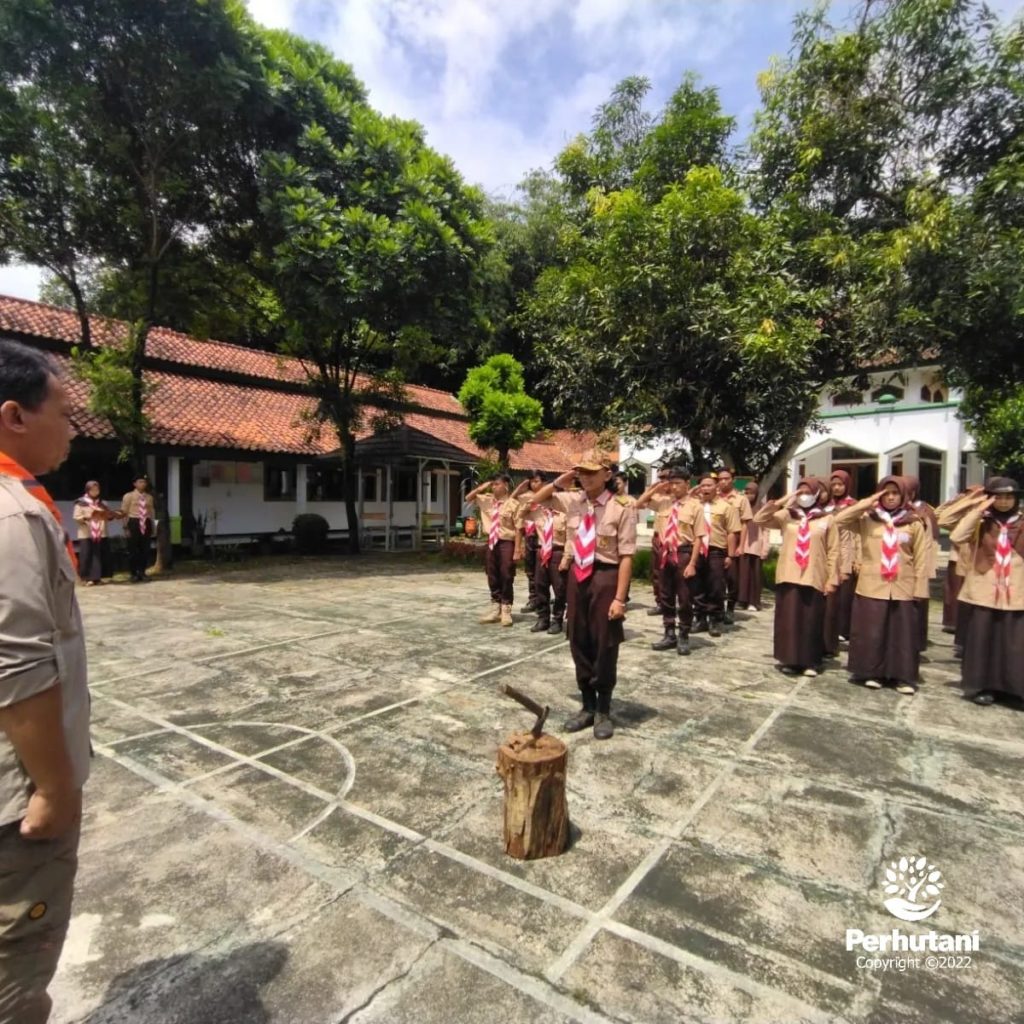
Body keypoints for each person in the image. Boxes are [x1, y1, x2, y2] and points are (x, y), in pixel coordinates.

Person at [0, 340, 91, 1024]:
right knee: (16, 981)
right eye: (64, 411)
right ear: (15, 416)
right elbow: (20, 666)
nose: (74, 427)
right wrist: (56, 787)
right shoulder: (14, 516)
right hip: (16, 797)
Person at [532, 452, 636, 739]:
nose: (585, 476)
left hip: (606, 576)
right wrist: (560, 481)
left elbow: (626, 556)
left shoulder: (622, 507)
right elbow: (536, 500)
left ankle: (603, 709)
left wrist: (620, 598)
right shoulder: (573, 500)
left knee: (605, 642)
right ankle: (587, 705)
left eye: (592, 471)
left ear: (607, 474)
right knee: (578, 638)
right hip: (578, 576)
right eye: (581, 472)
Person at [833, 476, 928, 694]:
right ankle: (871, 673)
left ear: (904, 496)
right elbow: (839, 520)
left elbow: (921, 558)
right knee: (871, 632)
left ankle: (901, 676)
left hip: (902, 586)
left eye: (895, 493)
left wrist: (920, 588)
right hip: (872, 584)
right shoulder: (868, 519)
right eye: (886, 493)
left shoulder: (913, 522)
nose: (891, 497)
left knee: (901, 634)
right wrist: (869, 501)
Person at [948, 478, 1024, 706]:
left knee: (1014, 643)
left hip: (1016, 590)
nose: (1003, 502)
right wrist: (977, 507)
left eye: (1008, 497)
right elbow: (954, 533)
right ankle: (980, 686)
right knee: (982, 640)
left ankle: (1013, 689)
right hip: (984, 589)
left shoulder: (1021, 522)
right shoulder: (981, 522)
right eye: (997, 497)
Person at [754, 478, 839, 677]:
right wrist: (786, 499)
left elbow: (834, 550)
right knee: (789, 620)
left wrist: (832, 578)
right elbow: (759, 519)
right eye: (800, 492)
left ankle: (811, 661)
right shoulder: (787, 516)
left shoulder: (827, 519)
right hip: (788, 574)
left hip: (813, 575)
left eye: (808, 492)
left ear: (817, 494)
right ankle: (790, 660)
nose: (803, 495)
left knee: (811, 620)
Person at [638, 469, 706, 655]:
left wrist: (692, 563)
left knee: (684, 598)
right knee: (665, 595)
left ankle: (684, 634)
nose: (674, 486)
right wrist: (656, 487)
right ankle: (669, 633)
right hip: (664, 553)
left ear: (687, 484)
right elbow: (639, 503)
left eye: (677, 483)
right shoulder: (663, 503)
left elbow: (699, 537)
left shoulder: (695, 506)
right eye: (671, 483)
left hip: (683, 552)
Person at [466, 475, 521, 627]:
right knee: (492, 573)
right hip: (491, 541)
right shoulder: (487, 500)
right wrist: (480, 487)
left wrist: (517, 549)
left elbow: (518, 528)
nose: (494, 487)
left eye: (497, 484)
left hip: (506, 542)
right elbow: (468, 498)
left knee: (506, 573)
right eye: (493, 484)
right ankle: (495, 606)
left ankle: (506, 608)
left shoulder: (513, 504)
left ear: (506, 485)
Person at [693, 474, 742, 637]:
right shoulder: (694, 506)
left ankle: (715, 619)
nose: (705, 488)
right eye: (702, 485)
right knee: (697, 586)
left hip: (716, 550)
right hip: (697, 550)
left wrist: (730, 555)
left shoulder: (727, 507)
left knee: (716, 586)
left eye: (709, 485)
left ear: (717, 488)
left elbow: (732, 532)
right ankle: (700, 618)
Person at [822, 469, 857, 656]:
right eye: (833, 484)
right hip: (825, 558)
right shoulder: (825, 506)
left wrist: (851, 562)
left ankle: (843, 632)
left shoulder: (852, 506)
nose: (836, 488)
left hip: (844, 556)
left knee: (843, 599)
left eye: (840, 484)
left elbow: (854, 537)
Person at [903, 476, 940, 652]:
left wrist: (925, 567)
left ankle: (916, 641)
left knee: (918, 604)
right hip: (900, 566)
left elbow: (929, 539)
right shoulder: (897, 511)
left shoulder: (924, 510)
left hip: (920, 561)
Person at [529, 487, 570, 635]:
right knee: (540, 587)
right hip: (541, 551)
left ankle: (557, 620)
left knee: (560, 589)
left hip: (558, 552)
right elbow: (520, 509)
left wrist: (566, 558)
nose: (548, 500)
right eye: (545, 497)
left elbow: (570, 538)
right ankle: (543, 619)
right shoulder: (537, 512)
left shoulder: (565, 514)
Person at [715, 468, 752, 624]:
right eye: (721, 479)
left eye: (727, 478)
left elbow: (745, 524)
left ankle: (730, 608)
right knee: (716, 579)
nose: (724, 481)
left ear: (733, 480)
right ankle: (717, 609)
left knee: (732, 578)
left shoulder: (740, 499)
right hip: (715, 543)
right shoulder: (713, 498)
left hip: (733, 543)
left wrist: (741, 545)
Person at [72, 481, 121, 586]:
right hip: (87, 533)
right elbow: (76, 517)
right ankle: (86, 578)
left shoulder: (103, 503)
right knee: (87, 555)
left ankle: (97, 577)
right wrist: (89, 517)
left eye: (97, 490)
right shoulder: (80, 502)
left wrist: (112, 515)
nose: (95, 492)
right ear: (87, 490)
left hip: (101, 532)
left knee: (99, 555)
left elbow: (108, 516)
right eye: (92, 490)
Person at [512, 471, 544, 613]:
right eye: (532, 481)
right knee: (530, 571)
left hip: (545, 537)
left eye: (537, 481)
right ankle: (534, 599)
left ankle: (544, 599)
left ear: (543, 482)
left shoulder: (549, 496)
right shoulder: (526, 497)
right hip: (530, 536)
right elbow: (511, 500)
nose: (533, 484)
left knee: (544, 573)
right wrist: (522, 486)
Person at [737, 479, 770, 613]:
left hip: (756, 546)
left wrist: (765, 548)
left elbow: (766, 529)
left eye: (752, 493)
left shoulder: (762, 508)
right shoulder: (740, 507)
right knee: (743, 575)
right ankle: (742, 600)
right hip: (742, 546)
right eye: (747, 492)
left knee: (755, 575)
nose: (749, 495)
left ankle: (753, 601)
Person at [645, 465, 672, 615]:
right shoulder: (658, 497)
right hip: (658, 540)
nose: (663, 481)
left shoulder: (681, 498)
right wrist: (654, 487)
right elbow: (642, 502)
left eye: (665, 478)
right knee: (657, 573)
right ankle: (660, 603)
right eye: (660, 477)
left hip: (674, 541)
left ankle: (674, 603)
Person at [121, 475, 154, 582]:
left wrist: (153, 525)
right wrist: (125, 527)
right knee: (133, 549)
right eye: (140, 482)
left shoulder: (149, 497)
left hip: (146, 522)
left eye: (144, 482)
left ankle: (142, 572)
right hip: (134, 521)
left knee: (145, 549)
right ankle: (133, 573)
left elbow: (151, 512)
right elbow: (124, 512)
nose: (142, 484)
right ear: (135, 484)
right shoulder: (128, 496)